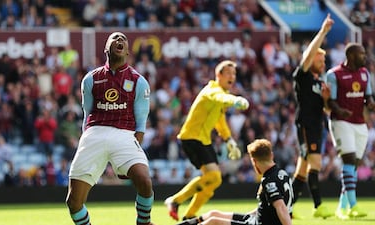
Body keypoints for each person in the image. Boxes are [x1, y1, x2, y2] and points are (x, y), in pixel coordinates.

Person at [65, 31, 155, 225]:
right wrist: (86, 140)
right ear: (106, 48)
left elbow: (140, 124)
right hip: (94, 134)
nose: (120, 40)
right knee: (73, 202)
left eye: (123, 39)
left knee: (145, 182)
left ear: (128, 51)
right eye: (115, 38)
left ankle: (144, 222)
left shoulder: (139, 82)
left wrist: (133, 149)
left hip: (124, 135)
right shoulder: (90, 79)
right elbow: (86, 115)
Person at [164, 60, 250, 221]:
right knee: (214, 176)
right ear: (218, 75)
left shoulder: (220, 96)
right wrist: (235, 100)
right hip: (191, 137)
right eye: (228, 73)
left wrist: (228, 139)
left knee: (215, 179)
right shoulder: (212, 90)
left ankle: (189, 216)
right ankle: (175, 201)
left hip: (202, 140)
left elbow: (220, 120)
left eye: (234, 74)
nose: (232, 77)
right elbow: (219, 97)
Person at [176, 138, 293, 225]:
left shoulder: (269, 181)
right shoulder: (281, 173)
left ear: (254, 161)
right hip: (257, 219)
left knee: (214, 221)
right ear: (271, 155)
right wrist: (249, 214)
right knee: (213, 214)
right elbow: (269, 207)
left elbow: (281, 207)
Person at [291, 14, 334, 219]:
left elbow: (327, 110)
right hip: (306, 125)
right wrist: (323, 31)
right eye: (321, 58)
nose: (323, 62)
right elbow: (307, 56)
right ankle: (318, 206)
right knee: (315, 164)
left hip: (317, 125)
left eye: (324, 59)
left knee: (302, 170)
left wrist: (326, 99)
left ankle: (287, 207)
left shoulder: (320, 83)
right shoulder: (303, 76)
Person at [326, 42, 375, 220]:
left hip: (359, 123)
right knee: (348, 159)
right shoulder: (334, 75)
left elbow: (368, 95)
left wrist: (370, 102)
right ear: (352, 56)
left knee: (354, 164)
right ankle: (353, 206)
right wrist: (339, 110)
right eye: (362, 54)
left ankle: (342, 206)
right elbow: (330, 100)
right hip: (341, 121)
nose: (365, 57)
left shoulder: (364, 73)